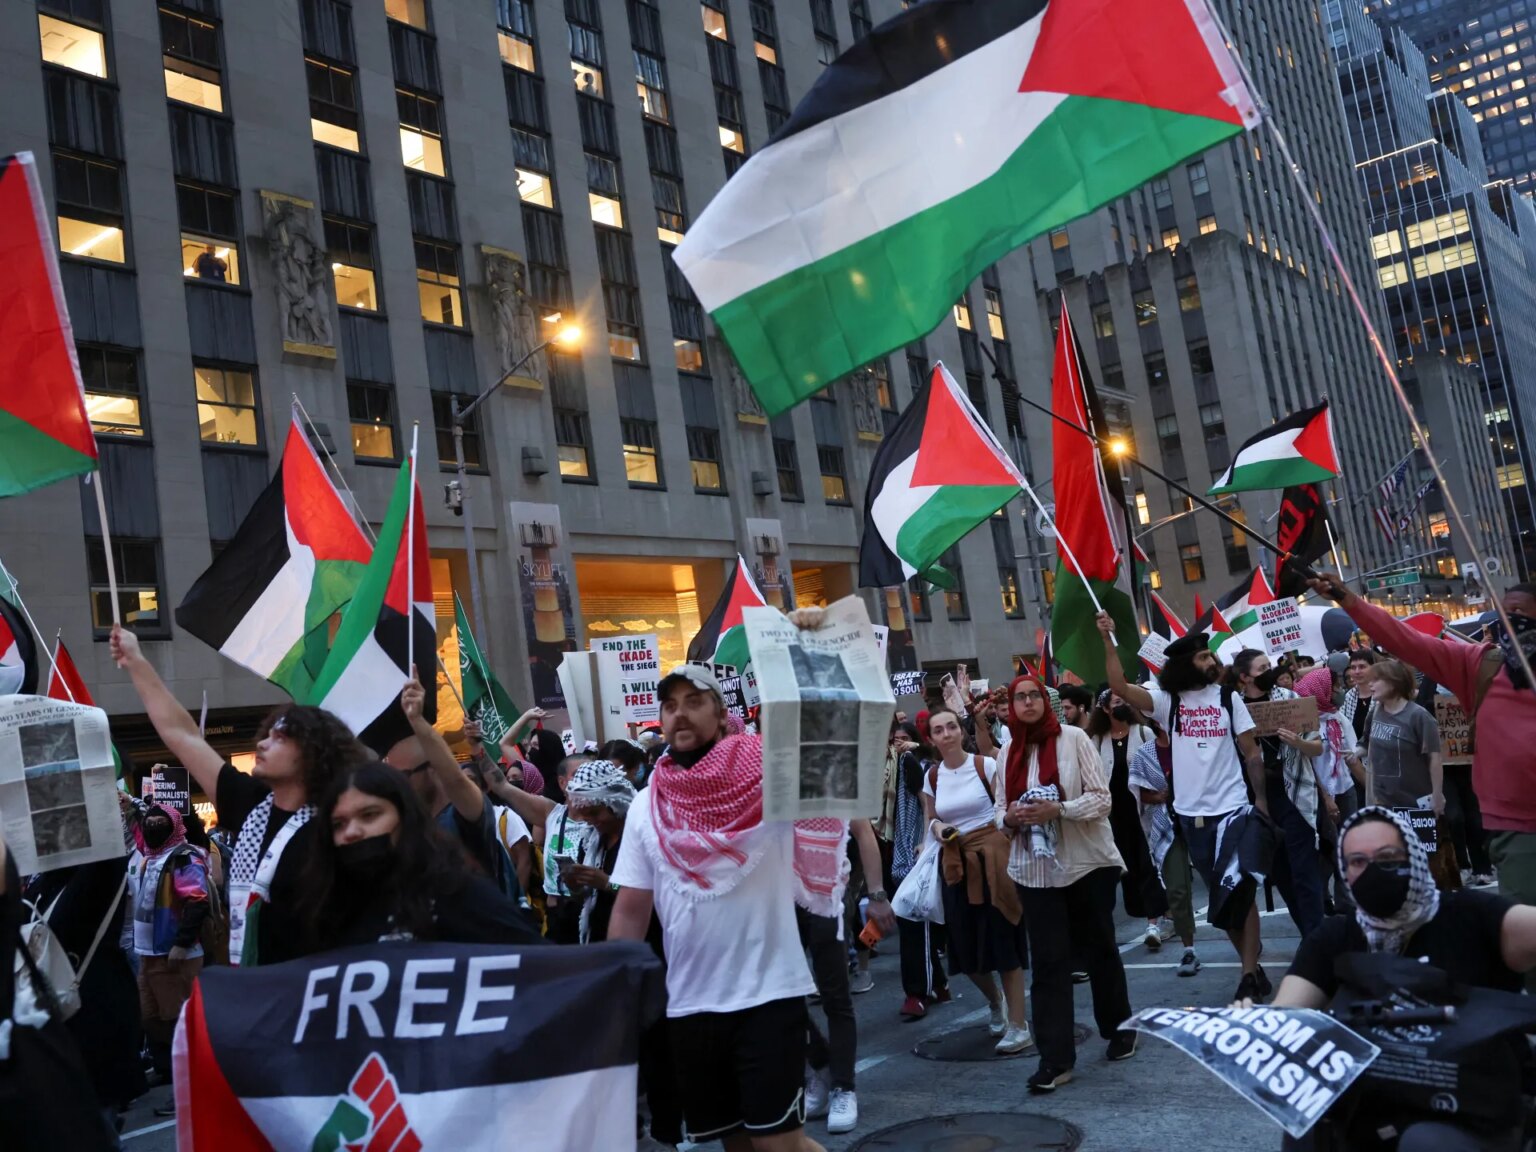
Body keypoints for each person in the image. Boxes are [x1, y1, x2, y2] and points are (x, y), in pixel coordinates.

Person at [608, 655, 846, 1152]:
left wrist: (811, 664)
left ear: (720, 714)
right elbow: (631, 907)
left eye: (694, 701)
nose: (679, 713)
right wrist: (613, 986)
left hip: (769, 995)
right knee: (736, 1146)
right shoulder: (647, 804)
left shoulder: (772, 777)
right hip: (690, 1004)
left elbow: (837, 765)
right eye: (670, 705)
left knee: (778, 1146)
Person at [1265, 806, 1536, 1152]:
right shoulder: (1336, 936)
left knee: (1426, 1143)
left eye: (1388, 858)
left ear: (1415, 858)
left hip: (1472, 1104)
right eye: (1358, 861)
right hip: (1375, 1102)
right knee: (1305, 1126)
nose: (1373, 871)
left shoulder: (1470, 915)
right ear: (1344, 872)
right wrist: (1251, 1023)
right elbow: (1286, 1014)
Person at [110, 624, 363, 966]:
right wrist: (137, 661)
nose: (263, 743)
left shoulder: (341, 825)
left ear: (314, 753)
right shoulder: (253, 803)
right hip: (258, 982)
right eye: (266, 735)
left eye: (280, 738)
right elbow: (183, 735)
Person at [1098, 614, 1273, 1001]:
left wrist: (1260, 801)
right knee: (1223, 901)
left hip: (1233, 810)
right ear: (1184, 665)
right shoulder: (1167, 703)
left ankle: (1247, 974)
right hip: (1192, 817)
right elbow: (1118, 687)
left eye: (1210, 655)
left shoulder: (1228, 698)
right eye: (1202, 657)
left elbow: (1251, 753)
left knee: (1240, 892)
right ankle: (1252, 964)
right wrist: (1108, 640)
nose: (1211, 661)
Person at [998, 674, 1135, 1092]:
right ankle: (1055, 1060)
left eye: (1034, 695)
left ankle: (1119, 1028)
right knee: (1049, 963)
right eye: (1019, 698)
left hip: (1085, 864)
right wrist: (1010, 818)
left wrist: (1058, 809)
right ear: (1011, 707)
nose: (1027, 703)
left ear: (1046, 701)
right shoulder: (1007, 752)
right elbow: (999, 810)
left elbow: (1102, 798)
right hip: (1034, 870)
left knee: (1099, 950)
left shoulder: (1073, 739)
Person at [292, 761, 542, 954]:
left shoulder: (455, 892)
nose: (352, 832)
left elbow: (536, 965)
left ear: (406, 819)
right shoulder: (320, 907)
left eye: (369, 815)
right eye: (338, 824)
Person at [922, 707, 1030, 1054]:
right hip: (956, 865)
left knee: (1005, 943)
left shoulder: (985, 766)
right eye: (939, 730)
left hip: (994, 861)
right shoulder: (932, 776)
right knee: (964, 950)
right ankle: (995, 1000)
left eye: (951, 726)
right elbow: (930, 818)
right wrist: (939, 828)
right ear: (931, 739)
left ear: (961, 731)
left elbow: (1003, 808)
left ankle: (1019, 1025)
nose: (947, 734)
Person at [801, 818, 892, 1135]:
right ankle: (823, 1065)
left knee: (835, 995)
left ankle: (843, 1087)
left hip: (828, 892)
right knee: (779, 996)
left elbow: (863, 830)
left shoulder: (833, 781)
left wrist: (877, 895)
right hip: (779, 897)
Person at [1230, 650, 1327, 938]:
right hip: (1258, 798)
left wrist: (1298, 742)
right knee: (1281, 873)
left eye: (1269, 665)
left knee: (1304, 869)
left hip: (1294, 792)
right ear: (1245, 677)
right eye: (1262, 668)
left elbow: (1317, 747)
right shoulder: (1234, 708)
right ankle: (1307, 934)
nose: (1270, 671)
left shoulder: (1289, 700)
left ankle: (1317, 938)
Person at [124, 801, 211, 1115]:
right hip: (148, 954)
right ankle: (186, 1078)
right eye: (150, 822)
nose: (153, 827)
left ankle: (191, 1089)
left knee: (179, 1025)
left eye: (161, 823)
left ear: (174, 825)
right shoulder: (149, 857)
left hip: (172, 956)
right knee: (152, 1019)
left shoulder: (183, 857)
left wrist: (181, 944)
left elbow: (197, 901)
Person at [1086, 691, 1169, 949]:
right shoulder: (1096, 740)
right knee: (1125, 868)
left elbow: (1157, 765)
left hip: (1144, 812)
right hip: (1113, 816)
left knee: (1148, 864)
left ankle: (1154, 923)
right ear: (1105, 709)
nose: (1122, 705)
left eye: (1124, 701)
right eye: (1116, 702)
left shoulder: (1143, 733)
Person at [496, 749, 597, 942]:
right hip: (557, 915)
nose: (586, 780)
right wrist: (477, 748)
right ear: (562, 783)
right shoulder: (552, 812)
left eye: (590, 774)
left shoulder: (606, 819)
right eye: (578, 775)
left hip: (592, 913)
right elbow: (501, 786)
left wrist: (604, 882)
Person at [1126, 722, 1202, 976]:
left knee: (1225, 881)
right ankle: (1189, 950)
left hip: (1202, 819)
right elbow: (1137, 792)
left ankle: (1247, 942)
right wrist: (1157, 797)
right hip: (1168, 826)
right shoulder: (1145, 753)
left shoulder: (1194, 744)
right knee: (1178, 890)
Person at [888, 721, 950, 1019]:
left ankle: (917, 993)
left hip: (909, 850)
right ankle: (938, 984)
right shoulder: (872, 766)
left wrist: (924, 840)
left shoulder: (909, 762)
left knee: (913, 920)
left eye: (903, 738)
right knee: (908, 922)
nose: (898, 742)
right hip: (888, 851)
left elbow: (927, 802)